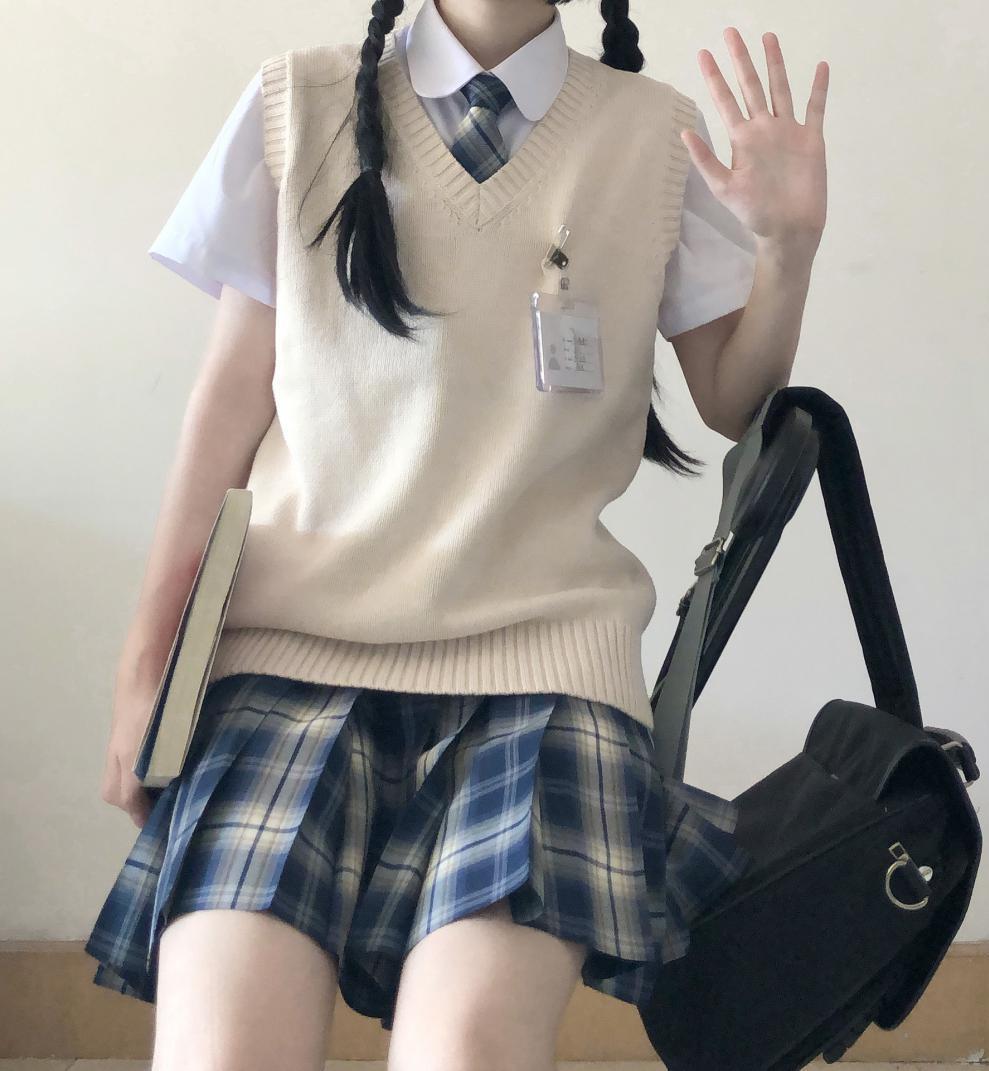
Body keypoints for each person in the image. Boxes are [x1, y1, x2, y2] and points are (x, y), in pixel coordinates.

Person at [86, 1, 828, 1068]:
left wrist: (786, 252)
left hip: (543, 674)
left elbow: (732, 398)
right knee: (222, 1050)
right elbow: (226, 413)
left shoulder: (655, 137)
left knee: (468, 1051)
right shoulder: (298, 103)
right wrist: (145, 674)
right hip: (290, 658)